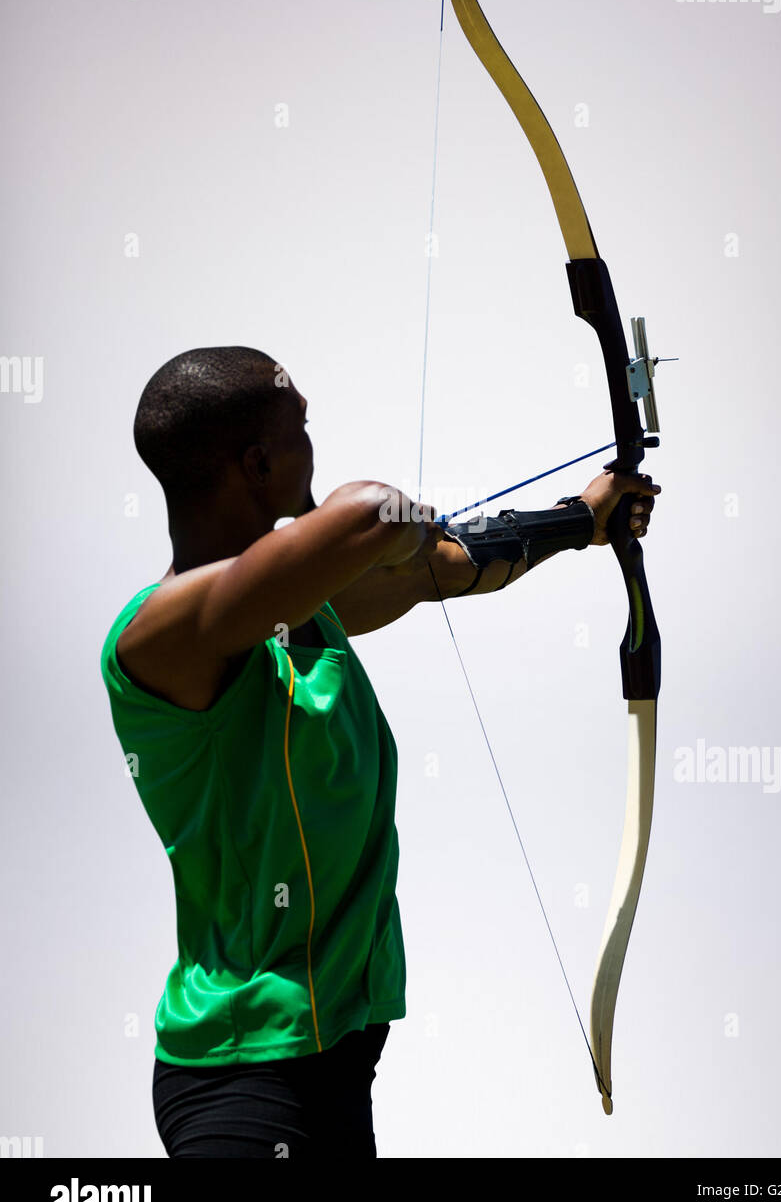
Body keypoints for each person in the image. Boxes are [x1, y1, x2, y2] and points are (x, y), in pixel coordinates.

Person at [100, 345, 660, 1158]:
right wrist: (399, 521)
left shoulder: (307, 611)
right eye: (300, 427)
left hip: (336, 1067)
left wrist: (582, 519)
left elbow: (451, 567)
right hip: (240, 1081)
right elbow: (368, 514)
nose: (311, 442)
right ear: (258, 461)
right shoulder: (160, 634)